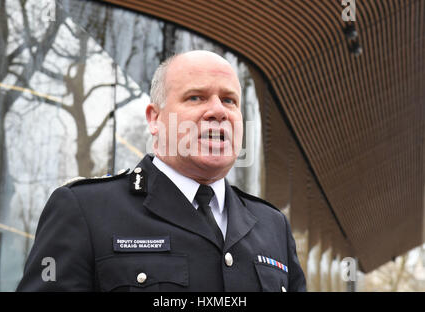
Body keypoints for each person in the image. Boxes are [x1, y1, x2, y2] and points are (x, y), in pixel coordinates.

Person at [17, 50, 306, 292]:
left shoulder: (273, 226)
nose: (218, 111)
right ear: (155, 119)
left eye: (230, 100)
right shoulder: (85, 210)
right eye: (196, 97)